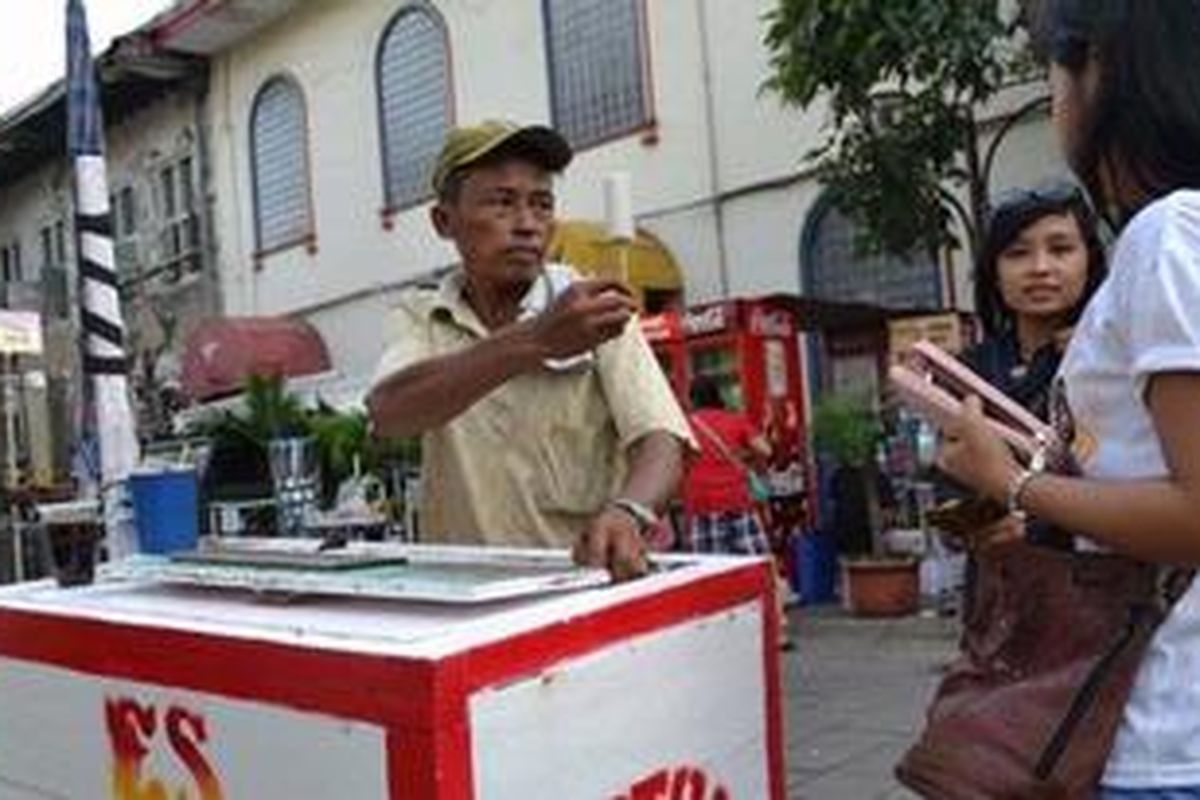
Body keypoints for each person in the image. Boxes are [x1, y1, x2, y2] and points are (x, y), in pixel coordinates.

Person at [939, 1, 1200, 795]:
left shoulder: (1167, 235)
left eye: (1050, 72)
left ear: (1099, 72)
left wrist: (1011, 479)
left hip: (1164, 727)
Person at [366, 120, 693, 582]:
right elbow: (389, 413)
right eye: (502, 203)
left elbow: (662, 438)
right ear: (445, 221)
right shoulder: (422, 317)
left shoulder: (591, 308)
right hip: (462, 599)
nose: (526, 225)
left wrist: (629, 511)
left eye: (541, 205)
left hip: (579, 588)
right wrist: (536, 340)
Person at [937, 178, 1106, 551]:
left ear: (1089, 261)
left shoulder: (1113, 361)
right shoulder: (969, 370)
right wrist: (966, 522)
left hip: (1095, 584)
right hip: (997, 593)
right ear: (993, 272)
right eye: (1017, 253)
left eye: (1060, 249)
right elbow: (948, 480)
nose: (1040, 268)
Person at [680, 375, 772, 556]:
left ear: (692, 399)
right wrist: (744, 456)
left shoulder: (685, 425)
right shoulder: (735, 420)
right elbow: (766, 450)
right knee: (751, 562)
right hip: (736, 499)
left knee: (712, 570)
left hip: (701, 503)